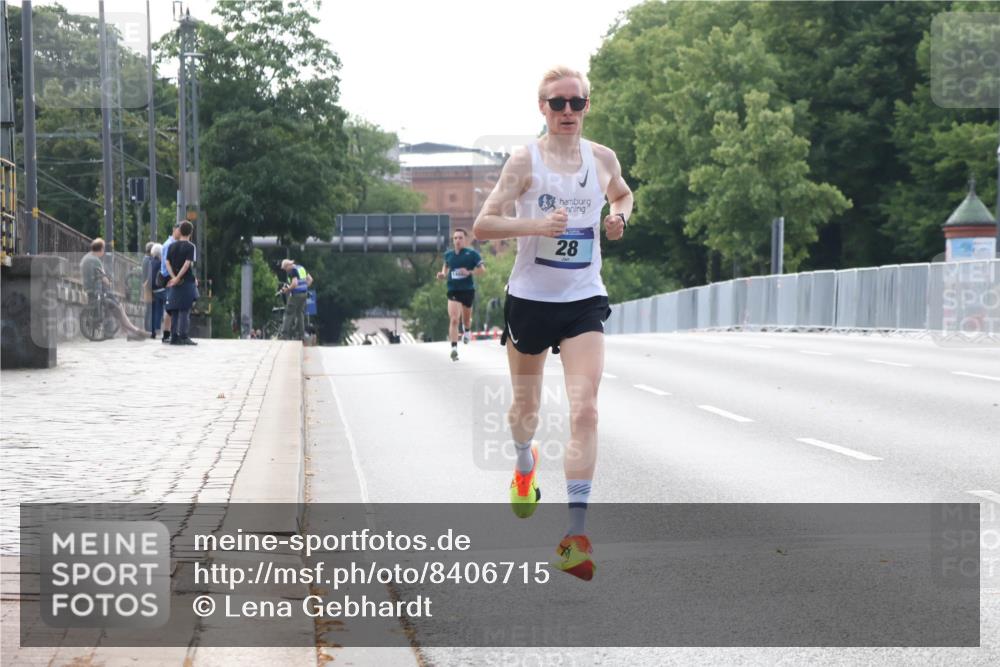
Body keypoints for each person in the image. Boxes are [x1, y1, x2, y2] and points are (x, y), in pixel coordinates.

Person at [472, 65, 632, 581]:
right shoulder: (525, 161)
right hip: (531, 300)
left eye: (576, 103)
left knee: (585, 410)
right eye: (557, 103)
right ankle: (524, 466)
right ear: (541, 107)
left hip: (583, 299)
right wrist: (534, 225)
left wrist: (619, 217)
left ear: (587, 106)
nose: (568, 112)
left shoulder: (602, 158)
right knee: (526, 407)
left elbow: (622, 194)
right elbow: (482, 225)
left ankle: (575, 536)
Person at [78, 238, 147, 341]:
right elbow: (104, 278)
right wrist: (109, 282)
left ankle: (130, 332)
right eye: (104, 249)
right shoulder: (95, 260)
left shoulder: (86, 258)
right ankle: (133, 331)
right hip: (100, 291)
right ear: (101, 249)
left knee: (117, 310)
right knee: (119, 308)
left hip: (89, 290)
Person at [436, 228, 485, 360]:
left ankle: (467, 330)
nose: (457, 240)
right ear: (453, 240)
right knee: (454, 319)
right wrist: (443, 274)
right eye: (455, 238)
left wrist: (470, 272)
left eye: (460, 238)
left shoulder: (472, 254)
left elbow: (482, 270)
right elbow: (445, 266)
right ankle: (453, 348)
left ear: (466, 240)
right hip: (453, 289)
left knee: (466, 319)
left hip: (467, 290)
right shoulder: (449, 255)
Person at [164, 221, 198, 346]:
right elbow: (187, 264)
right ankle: (183, 336)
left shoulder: (172, 246)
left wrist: (173, 277)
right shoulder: (190, 246)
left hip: (174, 281)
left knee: (174, 309)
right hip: (186, 280)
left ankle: (174, 336)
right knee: (184, 308)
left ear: (180, 231)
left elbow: (167, 262)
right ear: (190, 232)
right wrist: (178, 278)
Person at [279, 258, 310, 341]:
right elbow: (310, 280)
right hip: (304, 294)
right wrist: (304, 287)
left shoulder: (292, 271)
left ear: (288, 265)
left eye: (285, 268)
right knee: (300, 314)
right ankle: (301, 335)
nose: (285, 270)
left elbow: (295, 283)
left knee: (288, 313)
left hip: (296, 295)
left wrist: (287, 290)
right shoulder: (301, 268)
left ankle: (284, 335)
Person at [148, 243, 165, 339]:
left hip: (152, 289)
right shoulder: (160, 263)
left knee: (154, 309)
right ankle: (166, 328)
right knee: (170, 302)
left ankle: (153, 331)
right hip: (160, 288)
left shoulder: (151, 262)